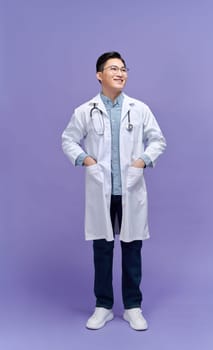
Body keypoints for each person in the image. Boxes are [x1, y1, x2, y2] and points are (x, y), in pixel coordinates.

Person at [62, 51, 166, 331]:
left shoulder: (139, 108)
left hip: (130, 187)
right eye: (113, 69)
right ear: (99, 75)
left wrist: (142, 160)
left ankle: (133, 307)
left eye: (123, 69)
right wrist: (86, 160)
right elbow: (69, 139)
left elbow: (158, 141)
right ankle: (103, 306)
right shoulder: (85, 110)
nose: (120, 73)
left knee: (132, 248)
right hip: (102, 189)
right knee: (102, 248)